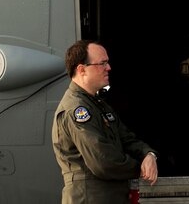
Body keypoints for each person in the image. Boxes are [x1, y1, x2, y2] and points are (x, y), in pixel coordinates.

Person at [53, 39, 159, 203]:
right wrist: (141, 167)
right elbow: (103, 162)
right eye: (102, 63)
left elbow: (127, 139)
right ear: (82, 70)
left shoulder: (99, 105)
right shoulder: (76, 109)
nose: (108, 68)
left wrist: (149, 155)